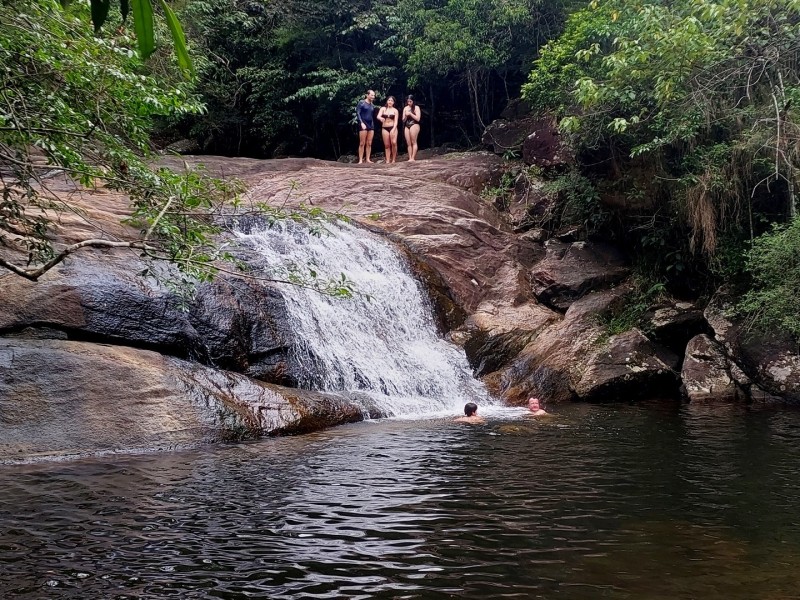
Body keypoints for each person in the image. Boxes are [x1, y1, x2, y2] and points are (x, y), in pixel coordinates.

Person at [377, 96, 399, 164]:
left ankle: (394, 159)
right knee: (387, 145)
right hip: (385, 128)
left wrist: (394, 129)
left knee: (394, 142)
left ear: (393, 102)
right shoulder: (383, 109)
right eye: (389, 100)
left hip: (393, 127)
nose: (390, 102)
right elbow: (378, 116)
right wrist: (381, 118)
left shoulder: (395, 110)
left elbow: (396, 121)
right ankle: (387, 160)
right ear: (387, 101)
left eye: (392, 101)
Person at [356, 90, 376, 164]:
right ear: (367, 95)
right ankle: (360, 159)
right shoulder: (362, 103)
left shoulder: (372, 105)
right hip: (363, 123)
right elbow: (358, 113)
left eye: (374, 95)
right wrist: (361, 122)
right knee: (362, 143)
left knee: (369, 143)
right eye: (372, 95)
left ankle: (368, 159)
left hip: (371, 124)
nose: (373, 97)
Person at [402, 95, 421, 162]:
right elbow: (403, 120)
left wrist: (410, 114)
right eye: (408, 101)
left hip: (414, 124)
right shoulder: (405, 108)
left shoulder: (416, 107)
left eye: (410, 101)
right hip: (407, 125)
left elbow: (418, 119)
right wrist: (406, 116)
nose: (409, 103)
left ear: (413, 101)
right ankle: (410, 157)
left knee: (414, 141)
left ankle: (413, 157)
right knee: (408, 143)